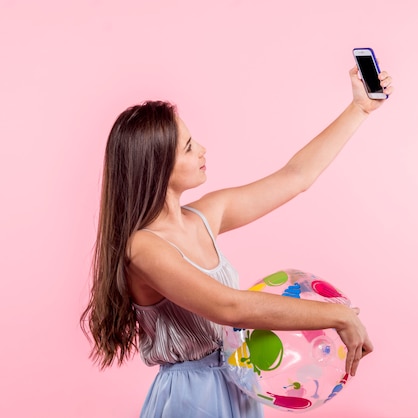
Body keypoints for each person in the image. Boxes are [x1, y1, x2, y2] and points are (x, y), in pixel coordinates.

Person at [81, 65, 393, 418]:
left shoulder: (205, 215)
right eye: (187, 147)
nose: (202, 149)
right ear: (158, 165)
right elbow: (230, 307)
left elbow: (296, 176)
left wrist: (359, 109)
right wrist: (337, 317)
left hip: (238, 382)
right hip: (192, 398)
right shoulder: (143, 249)